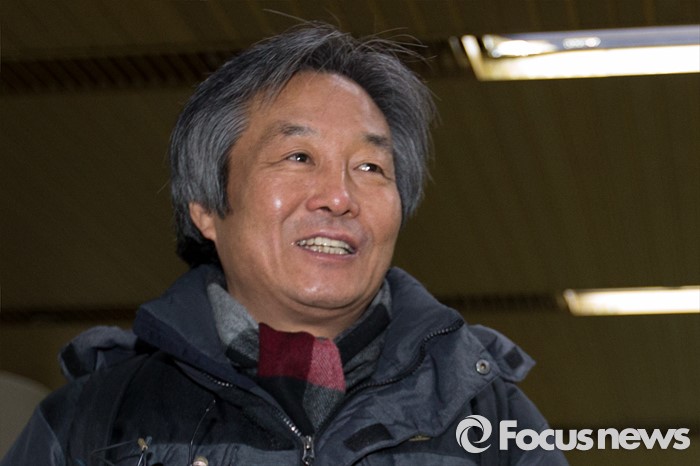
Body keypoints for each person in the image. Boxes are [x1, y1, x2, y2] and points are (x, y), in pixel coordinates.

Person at [2, 23, 568, 465]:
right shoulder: (94, 423)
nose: (339, 197)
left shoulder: (491, 416)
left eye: (370, 167)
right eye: (299, 157)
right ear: (206, 207)